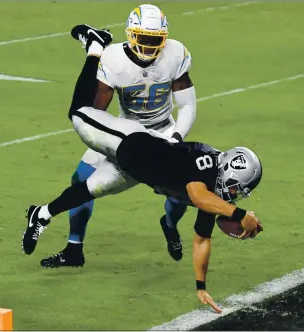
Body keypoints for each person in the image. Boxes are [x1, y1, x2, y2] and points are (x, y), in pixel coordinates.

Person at [21, 24, 263, 312]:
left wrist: (201, 286)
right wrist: (240, 215)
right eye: (236, 187)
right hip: (132, 142)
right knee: (79, 113)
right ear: (228, 169)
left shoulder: (214, 196)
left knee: (89, 190)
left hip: (136, 172)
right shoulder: (206, 162)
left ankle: (42, 214)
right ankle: (95, 47)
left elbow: (201, 240)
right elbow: (198, 196)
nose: (233, 194)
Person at [41, 4, 198, 268]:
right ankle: (74, 249)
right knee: (80, 179)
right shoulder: (114, 58)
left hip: (164, 129)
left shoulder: (175, 53)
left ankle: (169, 224)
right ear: (130, 35)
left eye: (154, 40)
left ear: (165, 38)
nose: (148, 47)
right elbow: (98, 109)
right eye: (143, 39)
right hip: (126, 132)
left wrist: (176, 138)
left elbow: (188, 105)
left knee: (181, 192)